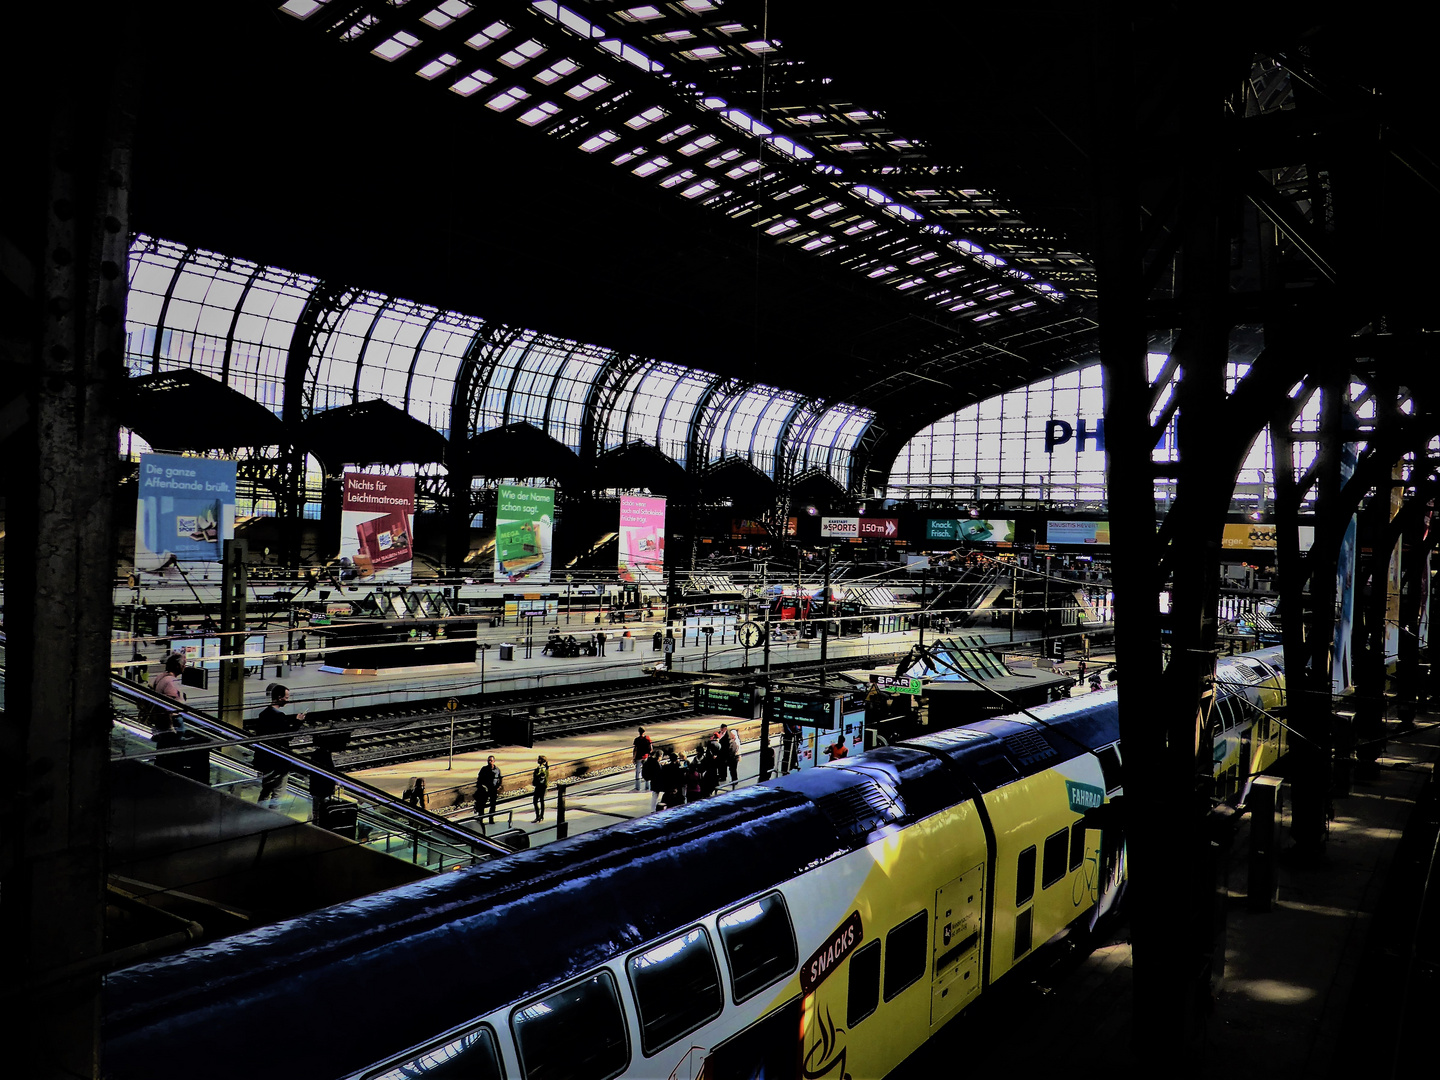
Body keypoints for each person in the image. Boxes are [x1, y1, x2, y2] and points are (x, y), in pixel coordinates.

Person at [252, 683, 307, 809]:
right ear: (279, 697)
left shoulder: (263, 714)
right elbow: (288, 736)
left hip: (265, 761)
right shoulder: (279, 716)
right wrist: (298, 722)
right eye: (286, 698)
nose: (287, 700)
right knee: (278, 793)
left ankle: (259, 812)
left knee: (265, 791)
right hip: (279, 762)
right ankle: (274, 818)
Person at [476, 755, 502, 823]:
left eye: (491, 760)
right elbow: (479, 779)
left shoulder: (497, 770)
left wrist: (499, 786)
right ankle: (481, 818)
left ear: (494, 761)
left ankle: (491, 818)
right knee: (482, 804)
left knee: (493, 804)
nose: (489, 762)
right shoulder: (484, 769)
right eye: (488, 760)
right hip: (485, 789)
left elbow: (500, 778)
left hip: (493, 789)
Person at [719, 723, 742, 789]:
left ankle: (735, 780)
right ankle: (733, 780)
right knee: (731, 769)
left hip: (734, 757)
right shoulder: (732, 741)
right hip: (732, 757)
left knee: (733, 769)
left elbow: (734, 750)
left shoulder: (734, 742)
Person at [632, 726, 652, 791]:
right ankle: (647, 787)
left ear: (639, 732)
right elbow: (651, 749)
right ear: (644, 731)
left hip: (638, 757)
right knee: (647, 771)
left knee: (638, 772)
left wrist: (634, 758)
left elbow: (635, 750)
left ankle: (637, 787)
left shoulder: (637, 740)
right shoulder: (647, 739)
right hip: (646, 757)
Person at [531, 755, 549, 821]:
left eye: (539, 759)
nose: (537, 760)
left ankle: (538, 816)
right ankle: (541, 816)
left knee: (535, 801)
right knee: (541, 800)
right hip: (543, 787)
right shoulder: (545, 768)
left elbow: (541, 777)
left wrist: (536, 774)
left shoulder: (541, 769)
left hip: (539, 787)